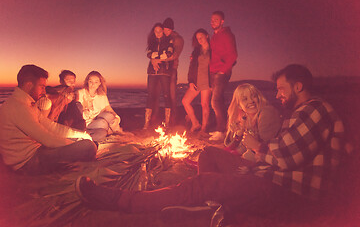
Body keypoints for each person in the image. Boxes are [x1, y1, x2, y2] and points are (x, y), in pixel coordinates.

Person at [75, 64, 348, 221]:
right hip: (268, 174)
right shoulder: (301, 113)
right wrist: (245, 142)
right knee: (209, 154)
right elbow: (262, 149)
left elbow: (284, 157)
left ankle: (120, 200)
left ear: (298, 86)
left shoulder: (315, 110)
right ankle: (210, 206)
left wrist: (256, 147)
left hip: (286, 193)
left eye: (281, 88)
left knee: (202, 183)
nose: (277, 94)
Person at [0, 65, 97, 175]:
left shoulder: (27, 105)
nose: (44, 90)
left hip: (38, 151)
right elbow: (48, 140)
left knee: (84, 141)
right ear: (28, 85)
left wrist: (82, 135)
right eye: (41, 86)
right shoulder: (17, 107)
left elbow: (52, 127)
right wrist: (75, 144)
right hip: (28, 163)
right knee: (88, 147)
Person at [208, 11, 237, 141]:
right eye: (212, 19)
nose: (213, 21)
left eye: (216, 19)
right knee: (219, 101)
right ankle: (223, 129)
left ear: (222, 21)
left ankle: (221, 131)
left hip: (221, 72)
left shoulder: (227, 35)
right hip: (213, 71)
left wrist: (223, 70)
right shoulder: (214, 37)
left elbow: (233, 55)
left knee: (215, 101)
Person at [77, 71, 123, 142]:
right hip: (86, 122)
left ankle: (117, 132)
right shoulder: (80, 93)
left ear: (100, 83)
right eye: (90, 82)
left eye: (96, 82)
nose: (93, 84)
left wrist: (117, 118)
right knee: (103, 123)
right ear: (87, 82)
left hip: (97, 119)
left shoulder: (101, 95)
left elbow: (109, 109)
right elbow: (75, 110)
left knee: (109, 115)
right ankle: (111, 133)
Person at [144, 23, 174, 129]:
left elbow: (169, 54)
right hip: (152, 71)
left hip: (164, 71)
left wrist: (155, 59)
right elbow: (148, 54)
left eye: (160, 31)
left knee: (166, 95)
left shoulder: (169, 41)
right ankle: (146, 122)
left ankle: (167, 122)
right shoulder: (151, 42)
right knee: (150, 95)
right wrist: (154, 58)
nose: (158, 33)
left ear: (163, 31)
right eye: (156, 31)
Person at [182, 28, 212, 133]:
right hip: (196, 81)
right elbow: (191, 67)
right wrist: (190, 81)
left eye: (201, 37)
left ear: (207, 36)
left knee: (204, 104)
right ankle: (195, 123)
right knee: (185, 101)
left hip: (207, 81)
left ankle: (203, 129)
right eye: (198, 38)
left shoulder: (213, 49)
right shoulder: (196, 51)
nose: (200, 40)